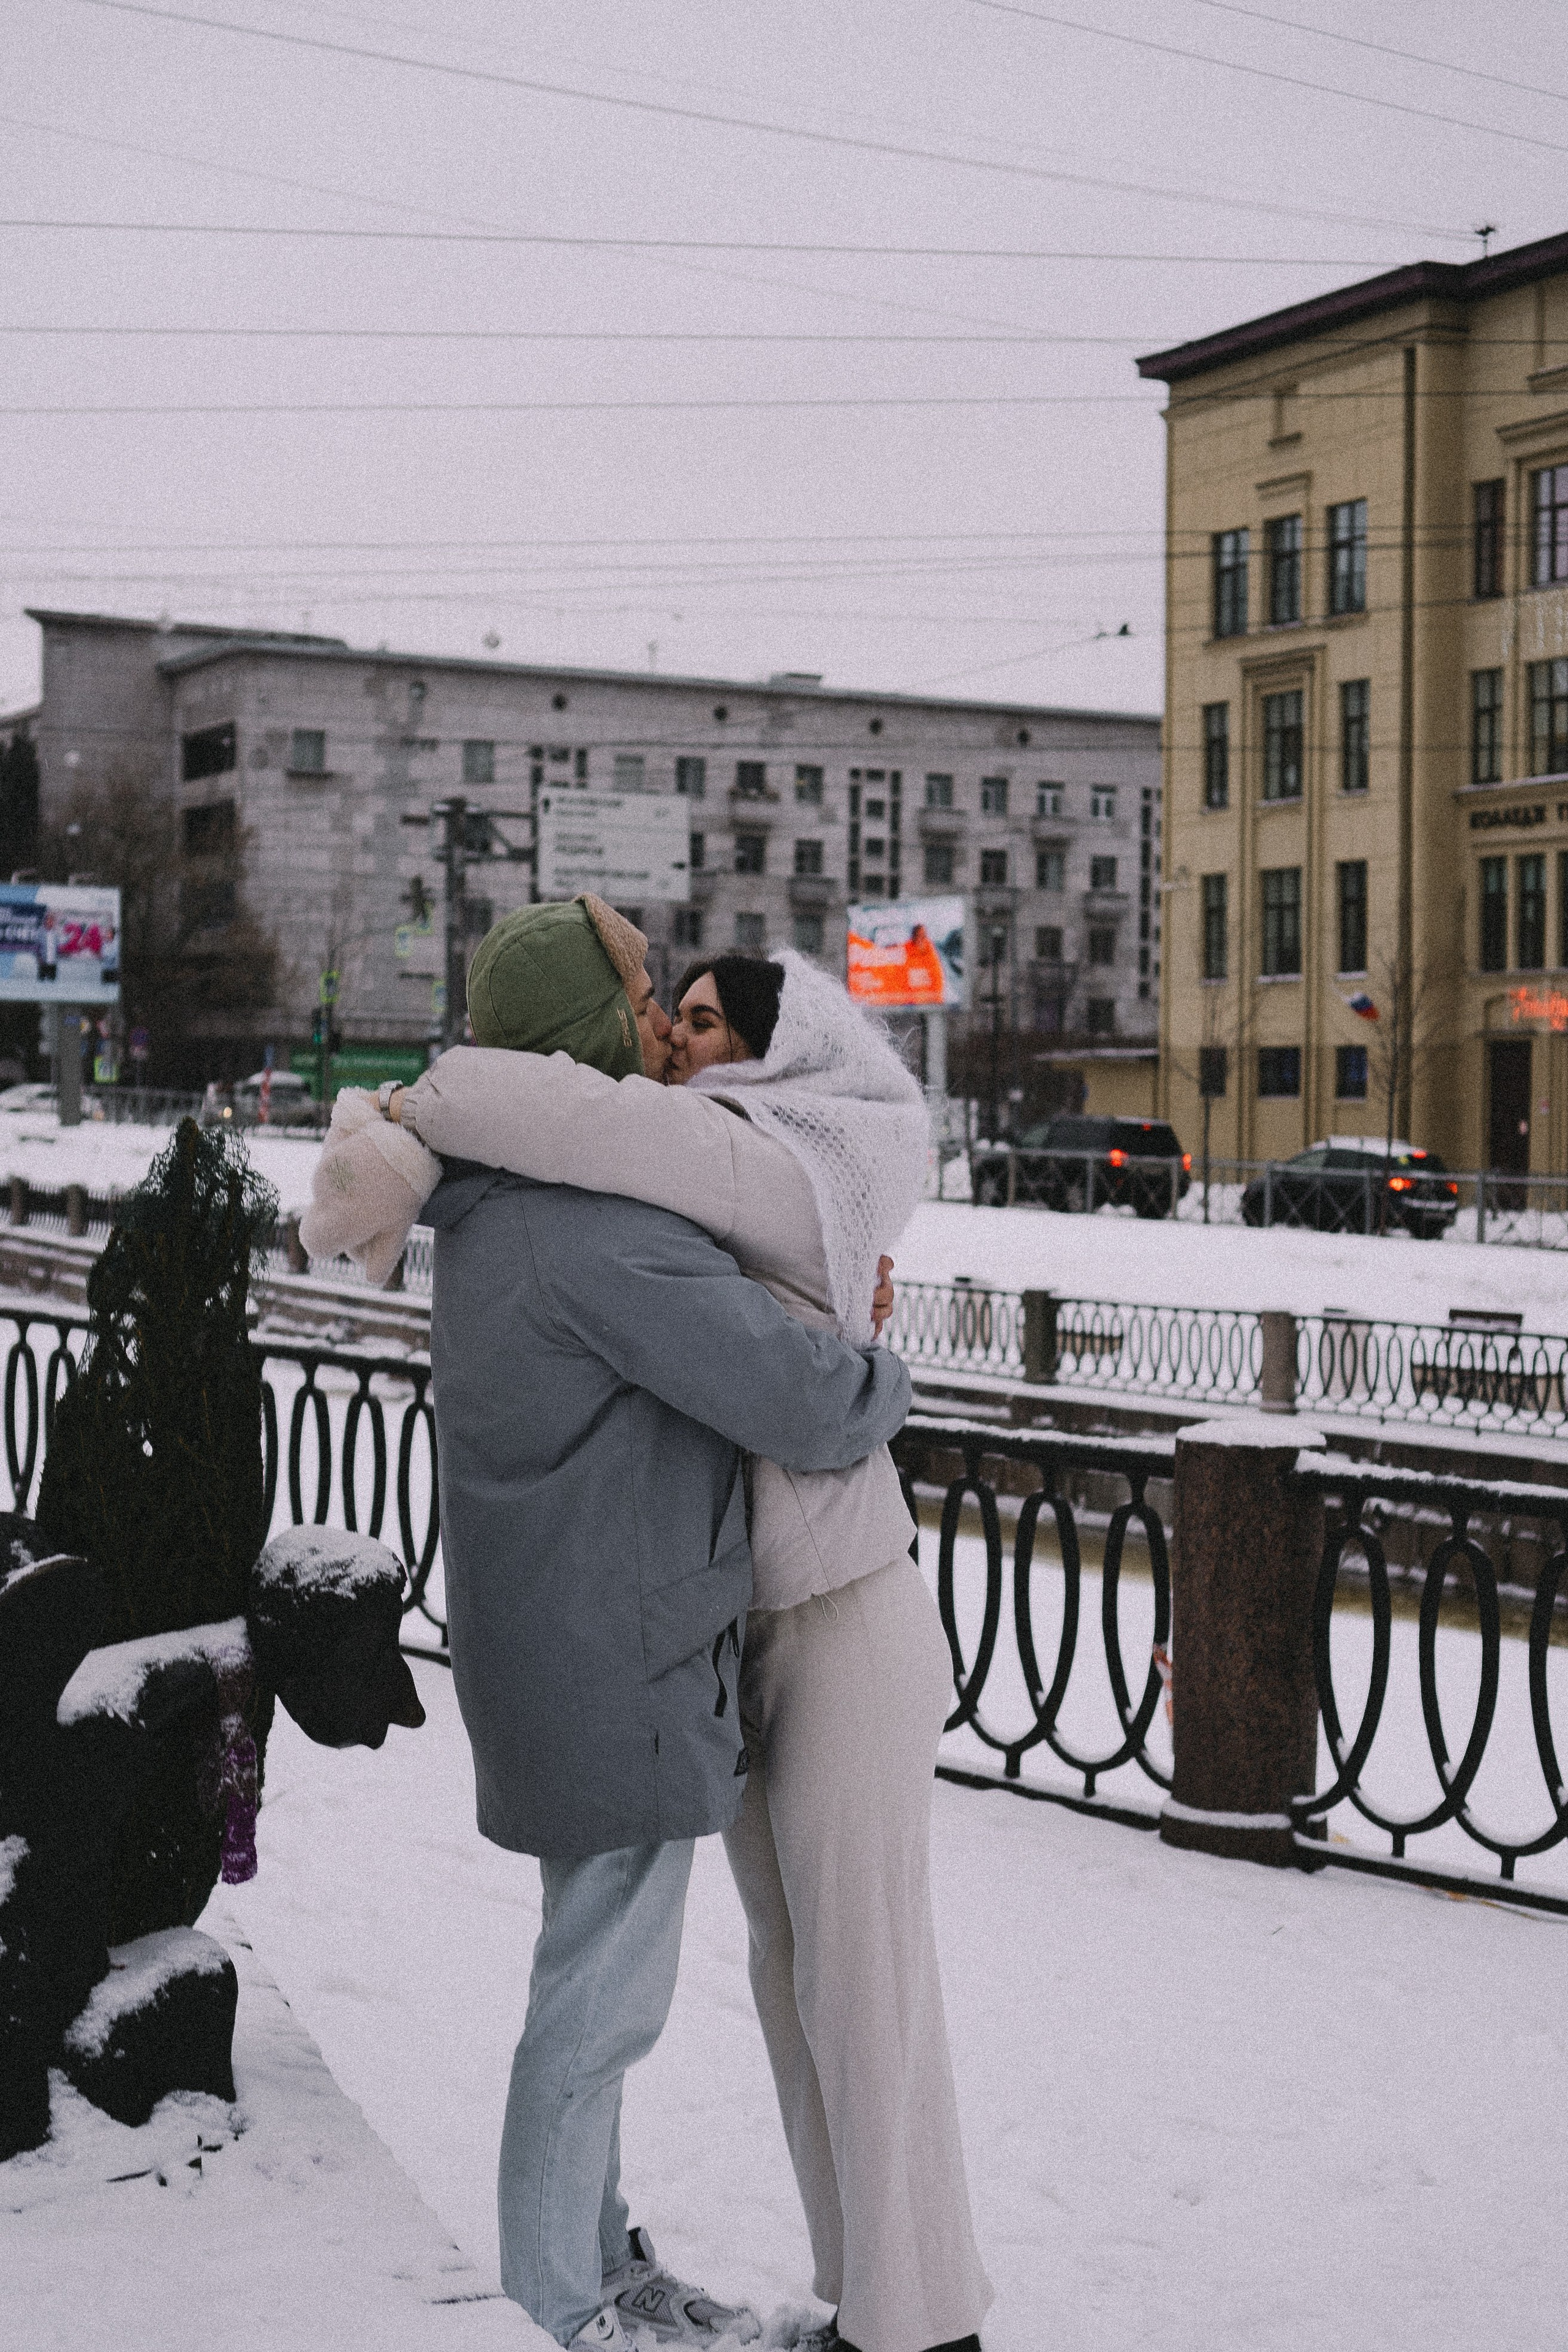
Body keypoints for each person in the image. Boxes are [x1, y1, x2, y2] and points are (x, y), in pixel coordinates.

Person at [311, 929, 992, 2352]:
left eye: (695, 1017)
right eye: (649, 1006)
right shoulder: (618, 1196)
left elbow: (573, 1116)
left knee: (851, 1983)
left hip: (836, 1606)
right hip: (714, 1626)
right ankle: (761, 2295)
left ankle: (912, 2326)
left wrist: (418, 1116)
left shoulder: (745, 1160)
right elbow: (578, 1118)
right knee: (771, 1978)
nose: (669, 1036)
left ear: (778, 1049)